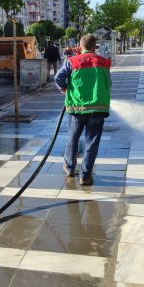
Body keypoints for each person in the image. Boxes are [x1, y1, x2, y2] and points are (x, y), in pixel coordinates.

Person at [54, 34, 111, 186]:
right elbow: (107, 82)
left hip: (76, 107)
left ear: (81, 45)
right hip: (98, 107)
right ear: (95, 46)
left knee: (72, 138)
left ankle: (70, 167)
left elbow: (58, 78)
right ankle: (85, 176)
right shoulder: (104, 62)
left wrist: (65, 89)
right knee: (92, 142)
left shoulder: (72, 61)